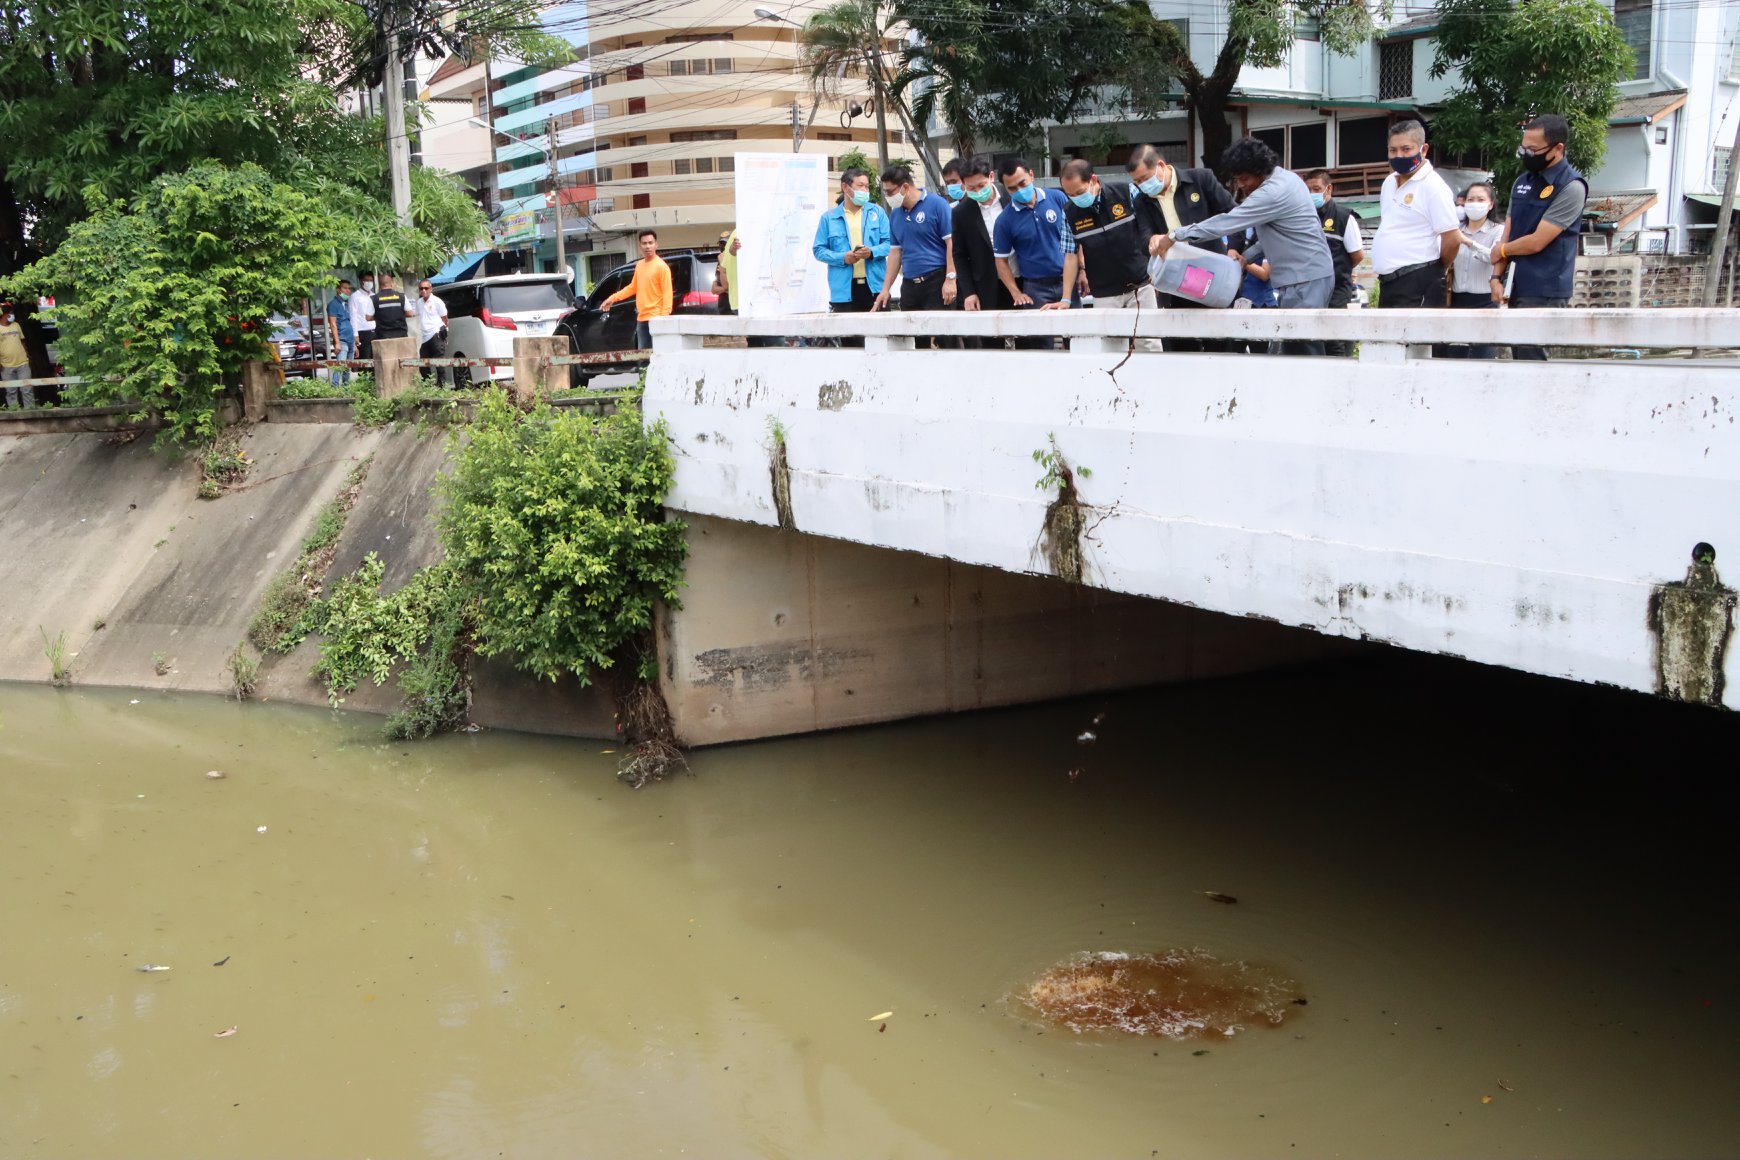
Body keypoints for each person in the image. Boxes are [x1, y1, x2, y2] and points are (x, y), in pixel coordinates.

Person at [1156, 137, 1335, 356]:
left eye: (1244, 179)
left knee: (1306, 350)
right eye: (1237, 179)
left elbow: (1227, 222)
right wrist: (1246, 257)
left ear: (1260, 171)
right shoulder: (1287, 178)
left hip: (1305, 279)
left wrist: (1176, 235)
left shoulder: (1271, 192)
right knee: (1295, 349)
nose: (1241, 185)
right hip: (1305, 276)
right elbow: (1279, 236)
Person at [1492, 114, 1588, 361]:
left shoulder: (1571, 186)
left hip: (1546, 289)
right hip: (1518, 286)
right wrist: (1496, 276)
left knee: (1533, 360)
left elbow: (1537, 241)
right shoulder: (1522, 182)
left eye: (1533, 149)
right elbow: (1508, 232)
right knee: (1519, 356)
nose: (1526, 154)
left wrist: (1502, 252)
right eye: (1523, 147)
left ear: (1558, 148)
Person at [1125, 144, 1234, 352]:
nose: (1142, 185)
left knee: (1220, 345)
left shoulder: (1201, 180)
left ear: (1161, 165)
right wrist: (1152, 240)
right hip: (1176, 283)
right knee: (1181, 348)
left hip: (1212, 276)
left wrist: (1234, 249)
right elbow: (1143, 236)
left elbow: (1232, 214)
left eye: (1145, 178)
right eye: (1137, 182)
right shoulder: (1142, 201)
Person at [1370, 120, 1459, 309]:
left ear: (1423, 149)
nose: (1399, 155)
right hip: (1389, 283)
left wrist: (1434, 270)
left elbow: (1452, 239)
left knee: (1417, 338)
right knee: (1388, 338)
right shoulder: (1388, 182)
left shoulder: (1433, 186)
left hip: (1420, 279)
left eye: (1406, 149)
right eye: (1393, 150)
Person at [812, 168, 891, 347]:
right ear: (846, 187)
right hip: (844, 291)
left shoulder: (877, 213)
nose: (865, 190)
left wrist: (871, 252)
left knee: (880, 341)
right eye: (860, 186)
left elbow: (890, 244)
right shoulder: (829, 218)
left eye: (867, 186)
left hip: (875, 288)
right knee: (851, 344)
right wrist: (842, 257)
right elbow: (818, 250)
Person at [873, 165, 957, 331]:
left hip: (937, 280)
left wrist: (951, 278)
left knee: (945, 335)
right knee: (915, 337)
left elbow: (951, 243)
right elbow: (896, 253)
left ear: (904, 187)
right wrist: (885, 289)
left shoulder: (938, 205)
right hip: (910, 283)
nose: (887, 196)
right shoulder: (896, 214)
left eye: (890, 192)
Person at [1435, 182, 1505, 359]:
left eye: (1480, 199)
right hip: (1457, 300)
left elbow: (1493, 257)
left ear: (1490, 204)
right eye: (1470, 199)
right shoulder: (1455, 230)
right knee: (1455, 355)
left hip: (1485, 301)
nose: (1475, 203)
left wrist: (1468, 242)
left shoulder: (1498, 231)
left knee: (1483, 355)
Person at [1302, 169, 1366, 355]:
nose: (1312, 194)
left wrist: (1339, 270)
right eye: (1308, 190)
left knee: (1335, 341)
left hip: (1337, 290)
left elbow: (1357, 255)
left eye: (1316, 189)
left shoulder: (1344, 217)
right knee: (1313, 340)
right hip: (1311, 291)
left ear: (1328, 189)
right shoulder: (1303, 217)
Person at [953, 157, 1015, 347]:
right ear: (963, 185)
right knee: (991, 342)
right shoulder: (962, 212)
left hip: (1020, 279)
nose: (978, 191)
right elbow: (959, 255)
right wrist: (969, 292)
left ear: (991, 176)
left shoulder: (1012, 198)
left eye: (981, 185)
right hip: (987, 284)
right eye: (971, 188)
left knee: (1028, 339)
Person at [602, 229, 674, 349]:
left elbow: (667, 294)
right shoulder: (639, 265)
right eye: (644, 243)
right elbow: (632, 287)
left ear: (656, 244)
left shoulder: (662, 267)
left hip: (657, 319)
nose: (648, 246)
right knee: (643, 360)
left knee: (658, 357)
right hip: (642, 320)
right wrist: (612, 298)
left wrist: (663, 319)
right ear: (640, 245)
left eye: (650, 243)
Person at [414, 279, 451, 386]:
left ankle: (442, 385)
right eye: (421, 288)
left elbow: (445, 318)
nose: (424, 290)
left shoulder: (437, 301)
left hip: (436, 334)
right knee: (423, 364)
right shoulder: (419, 302)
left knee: (439, 362)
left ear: (431, 289)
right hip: (425, 337)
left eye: (426, 288)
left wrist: (444, 330)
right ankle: (428, 385)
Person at [0, 302, 33, 408]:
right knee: (11, 391)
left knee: (27, 389)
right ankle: (14, 412)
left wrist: (27, 354)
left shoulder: (16, 325)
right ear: (6, 315)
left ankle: (30, 411)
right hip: (6, 365)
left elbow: (22, 341)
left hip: (23, 363)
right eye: (11, 313)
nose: (13, 315)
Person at [325, 278, 355, 386]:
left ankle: (346, 388)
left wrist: (355, 342)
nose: (348, 291)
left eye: (349, 289)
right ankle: (335, 387)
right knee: (339, 365)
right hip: (342, 339)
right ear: (338, 290)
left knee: (347, 366)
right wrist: (337, 342)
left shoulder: (346, 304)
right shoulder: (333, 304)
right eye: (345, 288)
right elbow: (332, 324)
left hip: (350, 338)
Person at [370, 273, 412, 348]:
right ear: (392, 283)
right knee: (402, 358)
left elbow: (368, 317)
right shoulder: (402, 296)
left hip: (383, 337)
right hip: (401, 335)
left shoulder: (374, 298)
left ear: (379, 284)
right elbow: (410, 313)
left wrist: (380, 316)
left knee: (387, 359)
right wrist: (398, 314)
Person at [350, 273, 377, 361]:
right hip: (363, 332)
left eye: (371, 280)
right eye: (366, 280)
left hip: (375, 331)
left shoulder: (374, 296)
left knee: (376, 358)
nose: (369, 283)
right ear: (361, 281)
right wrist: (355, 335)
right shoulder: (355, 296)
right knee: (366, 358)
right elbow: (353, 316)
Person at [713, 230, 741, 315]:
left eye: (724, 244)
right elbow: (714, 288)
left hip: (733, 306)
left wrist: (726, 289)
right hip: (723, 308)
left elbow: (726, 286)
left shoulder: (732, 260)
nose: (722, 247)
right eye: (720, 244)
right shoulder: (721, 260)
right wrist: (725, 289)